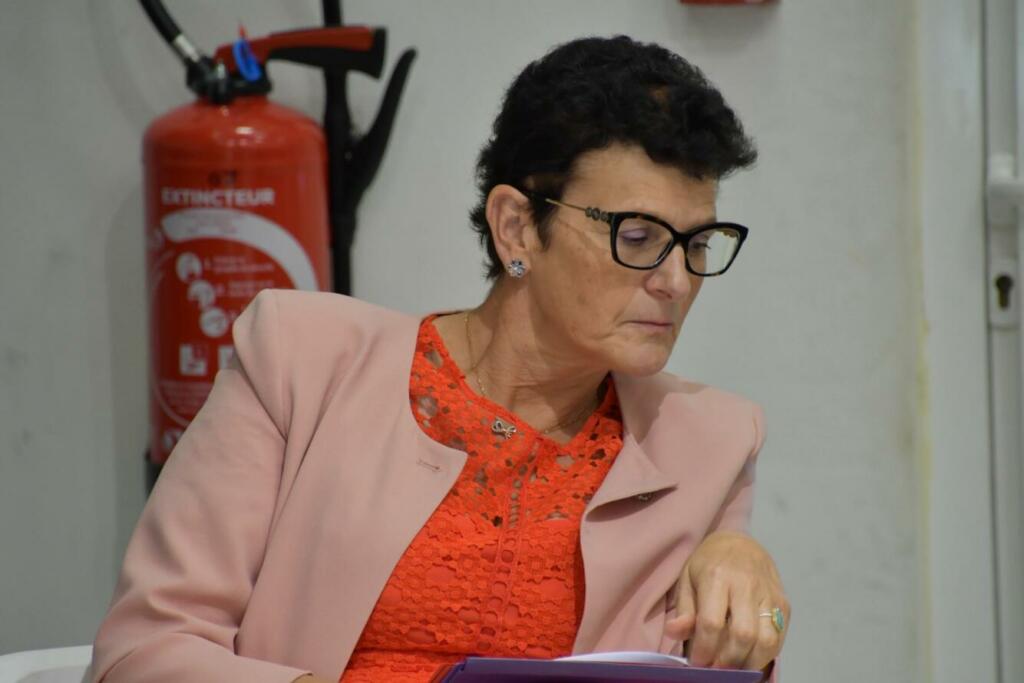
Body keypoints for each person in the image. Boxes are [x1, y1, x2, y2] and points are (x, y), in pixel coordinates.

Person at [91, 35, 789, 683]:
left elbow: (719, 656)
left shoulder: (707, 443)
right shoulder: (300, 363)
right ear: (517, 226)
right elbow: (143, 652)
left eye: (699, 244)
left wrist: (752, 593)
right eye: (638, 237)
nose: (676, 281)